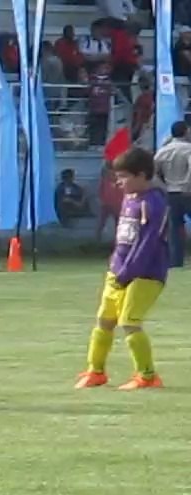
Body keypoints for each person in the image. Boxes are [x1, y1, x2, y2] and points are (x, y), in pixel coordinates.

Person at [74, 147, 169, 390]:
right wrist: (116, 264)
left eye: (124, 176)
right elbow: (125, 238)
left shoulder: (153, 203)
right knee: (104, 319)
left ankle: (147, 376)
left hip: (145, 274)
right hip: (118, 271)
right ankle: (95, 371)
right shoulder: (130, 198)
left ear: (142, 175)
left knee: (129, 321)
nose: (118, 182)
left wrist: (127, 273)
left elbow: (147, 244)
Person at [154, 120, 191, 267]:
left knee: (175, 228)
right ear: (185, 132)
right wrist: (188, 184)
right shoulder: (188, 149)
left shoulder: (163, 150)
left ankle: (176, 260)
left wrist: (163, 186)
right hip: (188, 192)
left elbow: (153, 172)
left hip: (171, 192)